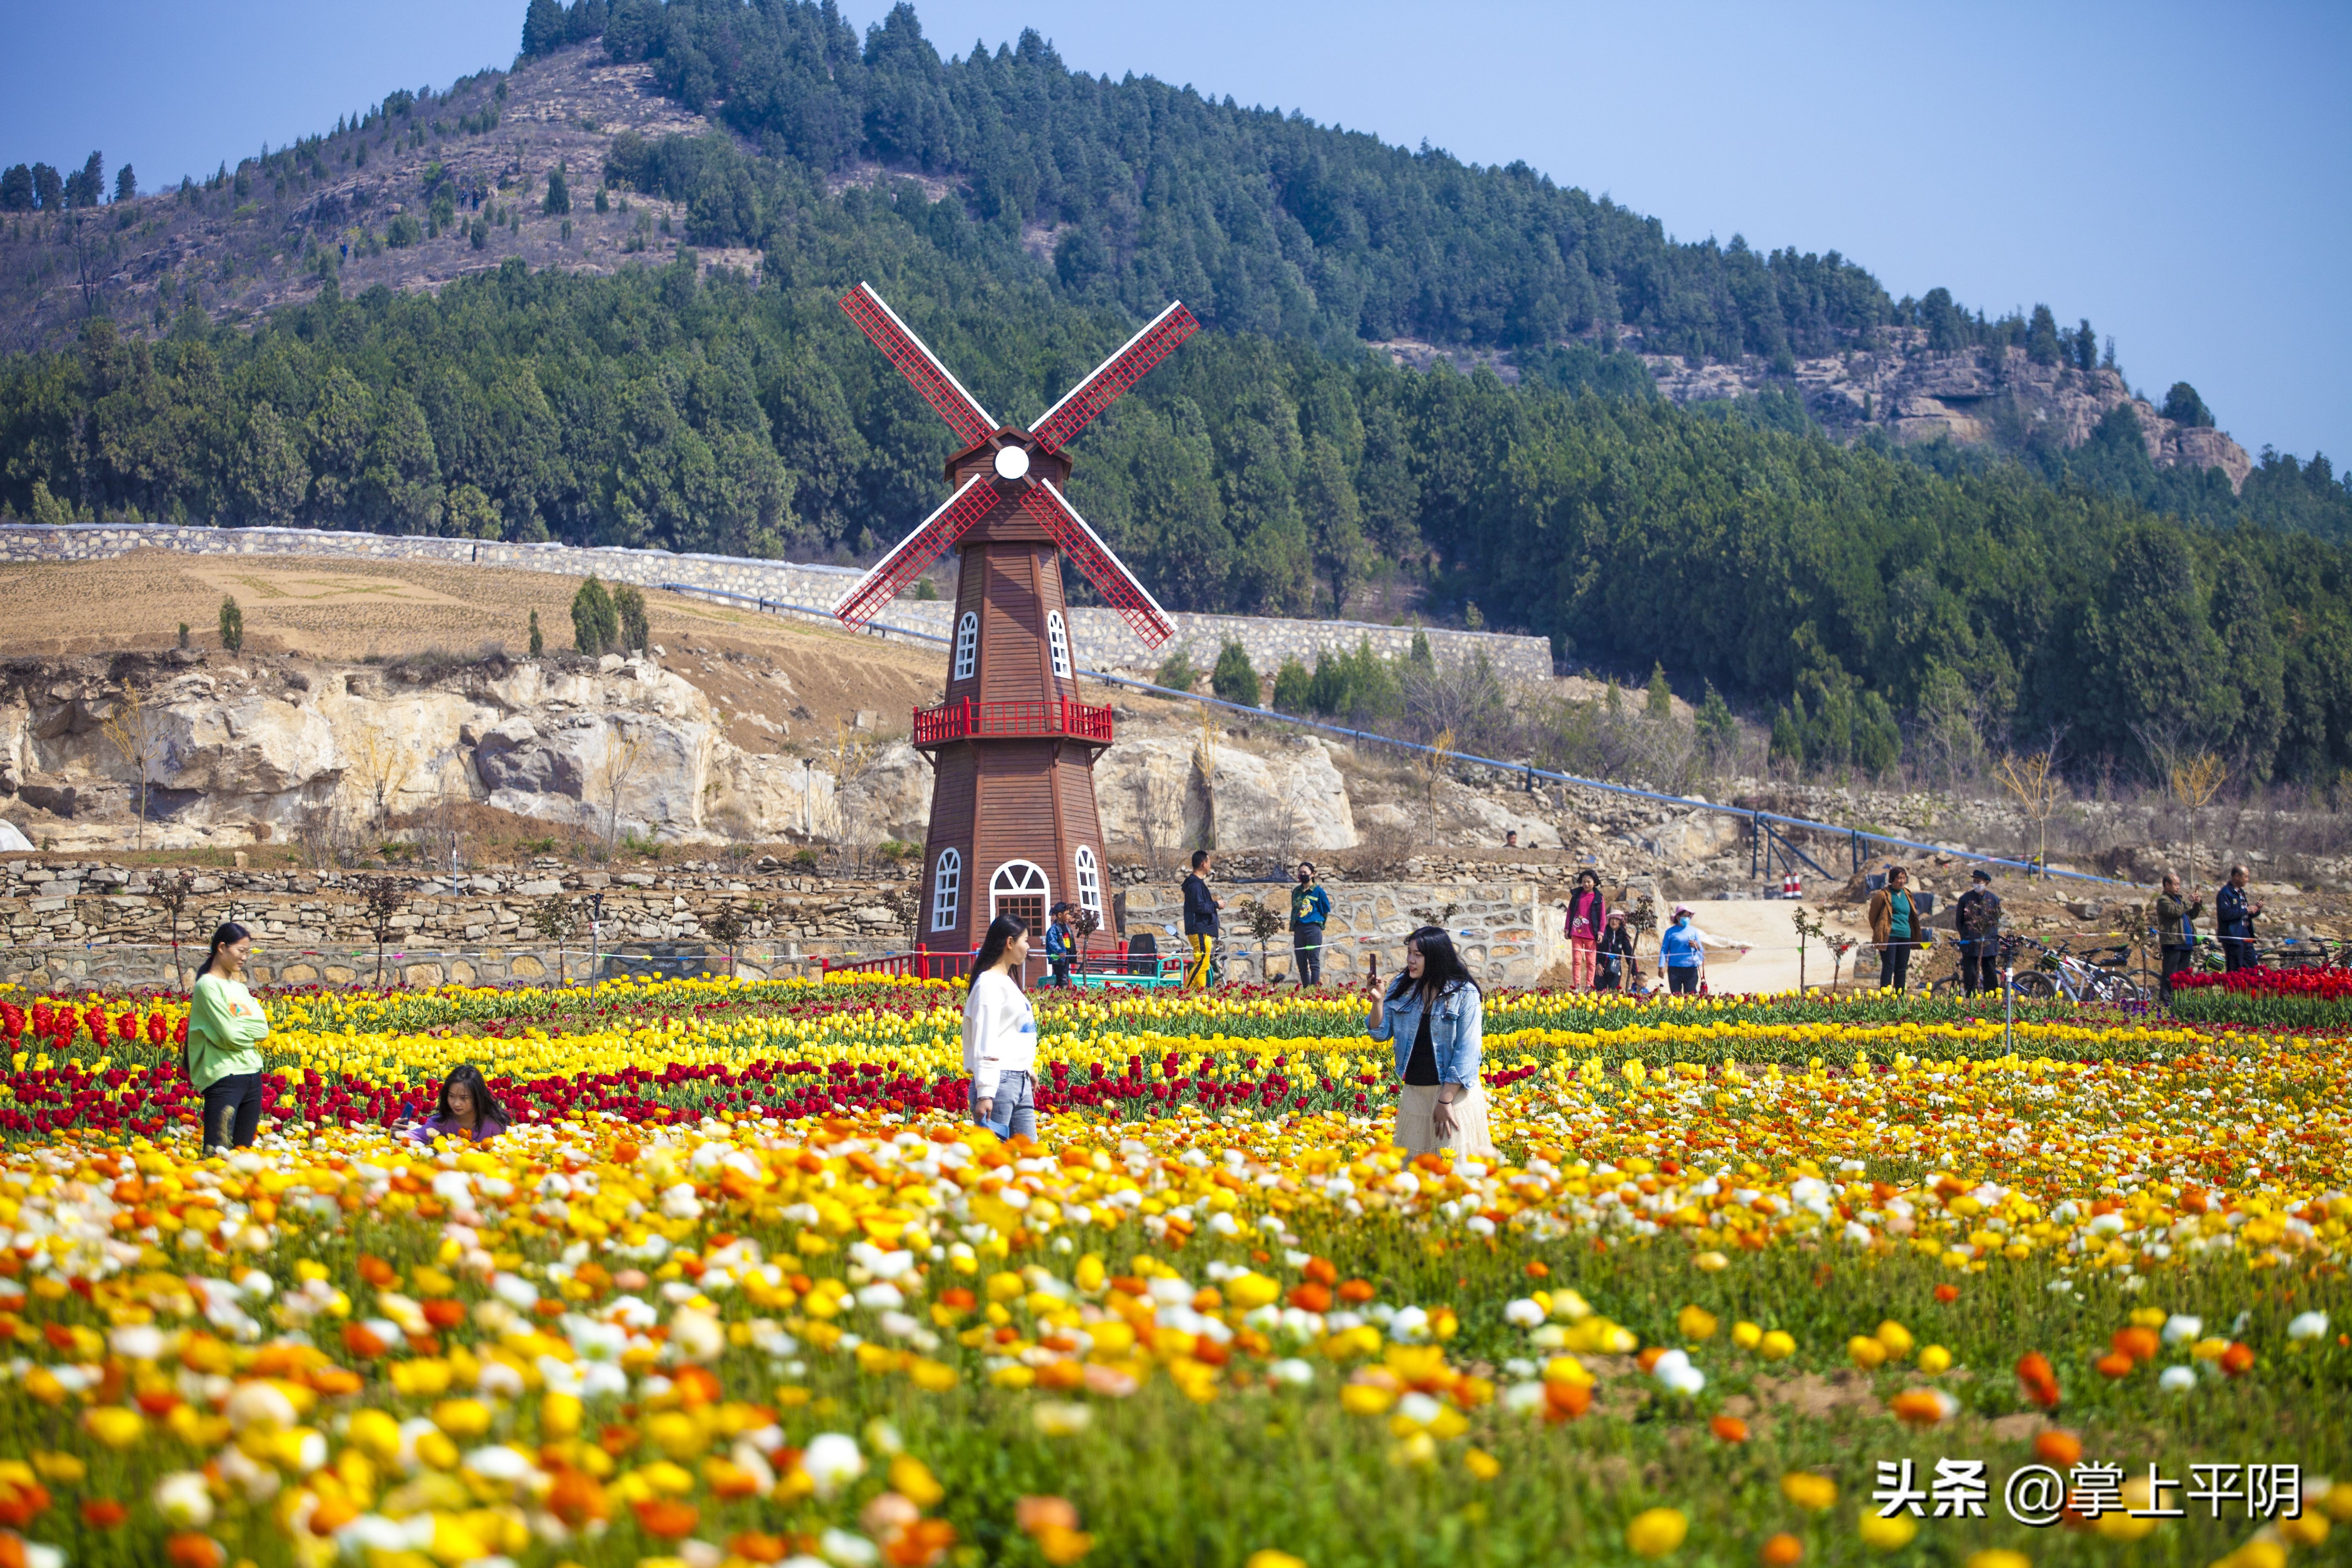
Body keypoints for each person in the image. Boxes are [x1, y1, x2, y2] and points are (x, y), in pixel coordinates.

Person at [1364, 926, 1493, 1158]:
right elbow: (1379, 1034)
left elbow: (1468, 1051)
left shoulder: (1464, 994)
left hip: (1453, 1097)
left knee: (1452, 1171)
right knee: (1414, 1173)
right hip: (1415, 1094)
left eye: (1418, 955)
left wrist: (1445, 1101)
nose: (1410, 960)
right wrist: (1378, 1002)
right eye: (1410, 953)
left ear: (1435, 957)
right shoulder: (1403, 987)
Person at [186, 923, 270, 1156]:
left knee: (243, 1153)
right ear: (222, 947)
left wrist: (238, 1032)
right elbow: (231, 1035)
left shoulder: (239, 989)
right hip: (224, 1077)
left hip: (252, 1074)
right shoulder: (207, 986)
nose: (245, 957)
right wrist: (244, 1035)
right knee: (217, 1153)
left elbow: (262, 1030)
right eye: (241, 951)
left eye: (248, 952)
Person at [963, 914, 1037, 1139]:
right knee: (995, 1160)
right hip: (999, 1084)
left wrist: (1027, 1068)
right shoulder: (989, 984)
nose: (1028, 947)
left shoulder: (1006, 982)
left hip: (1019, 1079)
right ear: (1010, 943)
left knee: (1030, 1158)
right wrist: (985, 1092)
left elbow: (1012, 1032)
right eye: (1025, 941)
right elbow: (985, 1038)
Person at [409, 1064, 508, 1145]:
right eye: (452, 1096)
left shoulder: (493, 1124)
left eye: (464, 1098)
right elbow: (414, 1137)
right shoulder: (442, 1122)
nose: (456, 1104)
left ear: (477, 1097)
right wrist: (397, 1133)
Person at [1866, 867, 1922, 993]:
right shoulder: (1883, 895)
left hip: (1905, 935)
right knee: (1889, 966)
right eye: (1899, 878)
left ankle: (1899, 996)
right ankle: (1885, 997)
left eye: (1904, 878)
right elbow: (1873, 917)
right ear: (1892, 879)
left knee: (1902, 968)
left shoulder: (1907, 894)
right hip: (1890, 935)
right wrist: (1881, 930)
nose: (1901, 881)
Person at [2153, 873, 2203, 1002]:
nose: (2178, 887)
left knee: (2183, 975)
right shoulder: (2163, 900)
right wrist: (2188, 901)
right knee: (2171, 974)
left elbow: (2190, 915)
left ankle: (2179, 1000)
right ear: (2167, 885)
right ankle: (2166, 1001)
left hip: (2185, 942)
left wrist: (2197, 905)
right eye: (2175, 884)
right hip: (2173, 942)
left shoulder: (2180, 900)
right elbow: (2175, 912)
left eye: (2179, 884)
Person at [1953, 868, 2004, 995]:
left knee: (1991, 974)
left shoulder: (1994, 899)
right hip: (1971, 944)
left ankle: (1991, 1002)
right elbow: (1959, 922)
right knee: (1971, 975)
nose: (1976, 884)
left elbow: (1995, 922)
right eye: (1974, 881)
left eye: (1979, 882)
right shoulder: (1965, 899)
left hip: (1989, 944)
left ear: (1986, 883)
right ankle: (1971, 1001)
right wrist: (1967, 936)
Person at [1181, 849, 1221, 989]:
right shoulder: (1195, 885)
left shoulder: (1196, 884)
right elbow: (1200, 906)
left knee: (1204, 965)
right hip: (1200, 929)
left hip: (1203, 929)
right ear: (1204, 864)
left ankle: (1201, 994)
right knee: (1201, 964)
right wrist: (1216, 904)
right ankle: (1185, 993)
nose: (1210, 865)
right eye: (1209, 862)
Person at [1288, 862, 1331, 987]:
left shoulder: (1319, 892)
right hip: (1299, 929)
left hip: (1313, 929)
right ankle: (1306, 989)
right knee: (1301, 962)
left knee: (1314, 961)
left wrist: (1319, 925)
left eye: (1305, 873)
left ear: (1312, 874)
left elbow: (1325, 912)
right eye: (1300, 873)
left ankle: (1315, 990)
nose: (1302, 875)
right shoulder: (1296, 891)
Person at [1561, 871, 1605, 990]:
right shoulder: (1576, 896)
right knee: (1577, 961)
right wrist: (1567, 929)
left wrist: (1601, 932)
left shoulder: (1599, 898)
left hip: (1591, 935)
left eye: (1589, 882)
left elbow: (1602, 917)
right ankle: (1577, 985)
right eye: (1584, 882)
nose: (1586, 884)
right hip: (1577, 933)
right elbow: (1570, 912)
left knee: (1591, 962)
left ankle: (1589, 985)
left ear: (1595, 883)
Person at [2216, 865, 2262, 972]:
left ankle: (2252, 989)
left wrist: (2255, 910)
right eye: (2246, 877)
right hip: (2233, 937)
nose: (2247, 880)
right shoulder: (2225, 893)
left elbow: (2244, 915)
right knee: (2235, 969)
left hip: (2246, 934)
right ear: (2237, 876)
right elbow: (2226, 914)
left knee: (2253, 968)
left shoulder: (2241, 892)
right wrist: (2246, 910)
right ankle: (2235, 989)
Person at [1658, 905, 1707, 994]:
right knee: (1676, 996)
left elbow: (1701, 951)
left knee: (1691, 997)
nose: (1687, 918)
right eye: (1685, 916)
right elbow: (1664, 950)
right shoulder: (1670, 932)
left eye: (1689, 916)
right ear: (1678, 917)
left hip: (1691, 969)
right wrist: (1661, 966)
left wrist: (1697, 946)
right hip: (1674, 969)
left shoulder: (1694, 931)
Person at [1596, 909, 1635, 991]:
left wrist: (1635, 973)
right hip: (1600, 968)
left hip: (1615, 969)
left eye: (1617, 919)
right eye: (1612, 919)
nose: (1614, 921)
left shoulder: (1623, 936)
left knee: (1613, 993)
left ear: (1621, 922)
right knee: (1599, 994)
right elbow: (1595, 950)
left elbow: (1630, 955)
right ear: (1609, 920)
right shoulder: (1603, 933)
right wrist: (1597, 963)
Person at [1043, 903, 1076, 988]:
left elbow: (1070, 941)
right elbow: (1052, 941)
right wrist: (1059, 951)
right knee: (1062, 978)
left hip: (1066, 955)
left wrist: (1076, 949)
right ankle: (1063, 994)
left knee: (1064, 976)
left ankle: (1056, 993)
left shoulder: (1068, 928)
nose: (1069, 916)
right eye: (1067, 914)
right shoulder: (1054, 929)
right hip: (1059, 957)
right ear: (1060, 915)